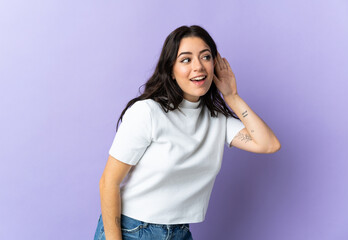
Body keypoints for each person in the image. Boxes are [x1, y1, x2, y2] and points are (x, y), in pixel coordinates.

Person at [94, 25, 281, 240]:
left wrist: (232, 96)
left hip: (179, 232)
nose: (198, 67)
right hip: (132, 230)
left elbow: (269, 144)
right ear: (171, 70)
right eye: (186, 59)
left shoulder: (216, 120)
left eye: (206, 57)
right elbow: (109, 182)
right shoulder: (148, 112)